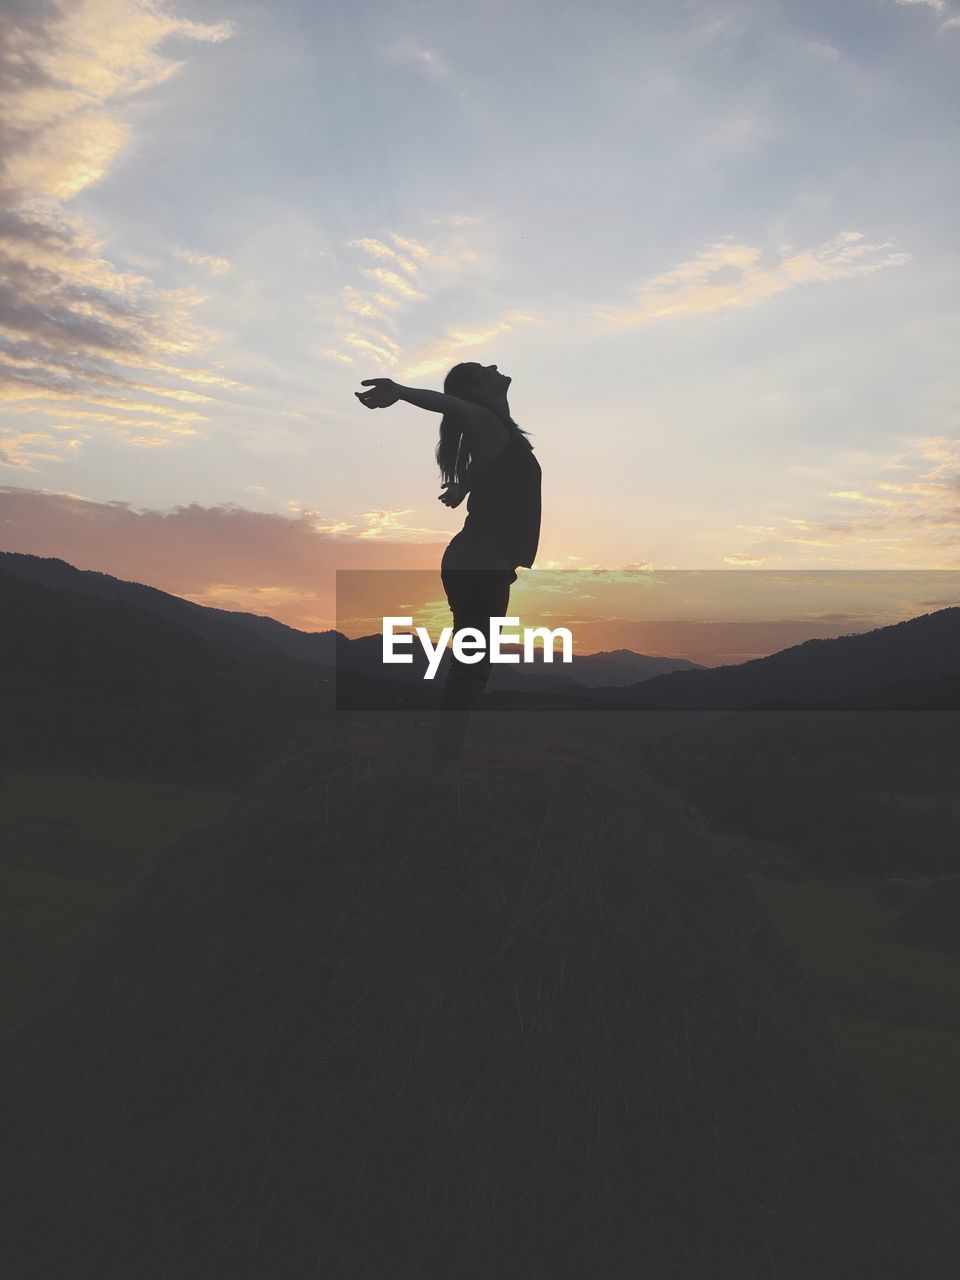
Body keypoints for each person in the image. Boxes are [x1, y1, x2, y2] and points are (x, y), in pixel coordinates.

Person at [355, 362, 542, 761]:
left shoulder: (502, 431)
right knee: (471, 667)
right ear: (476, 392)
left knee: (472, 666)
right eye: (481, 369)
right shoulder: (483, 417)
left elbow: (490, 463)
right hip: (480, 560)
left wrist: (464, 485)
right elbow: (449, 405)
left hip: (481, 560)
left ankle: (445, 755)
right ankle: (445, 762)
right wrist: (401, 391)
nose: (493, 366)